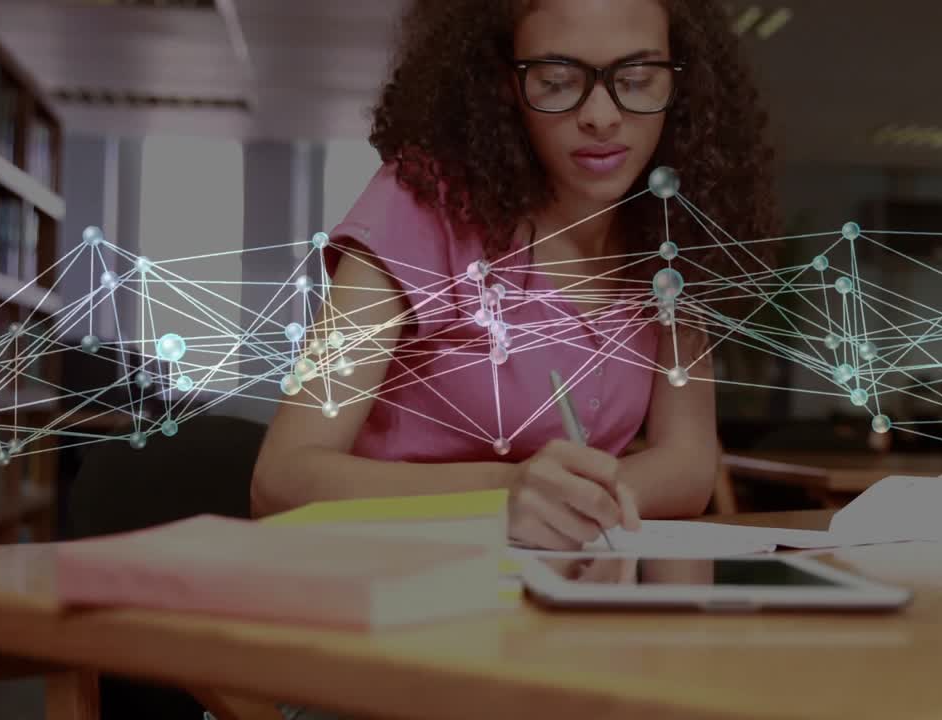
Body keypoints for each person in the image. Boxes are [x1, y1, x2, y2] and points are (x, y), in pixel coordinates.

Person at [252, 0, 778, 552]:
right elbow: (281, 478)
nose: (601, 114)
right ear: (503, 85)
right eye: (556, 81)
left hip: (560, 595)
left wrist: (568, 505)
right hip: (395, 582)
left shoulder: (670, 228)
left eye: (639, 79)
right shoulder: (420, 204)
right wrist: (505, 494)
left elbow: (689, 464)